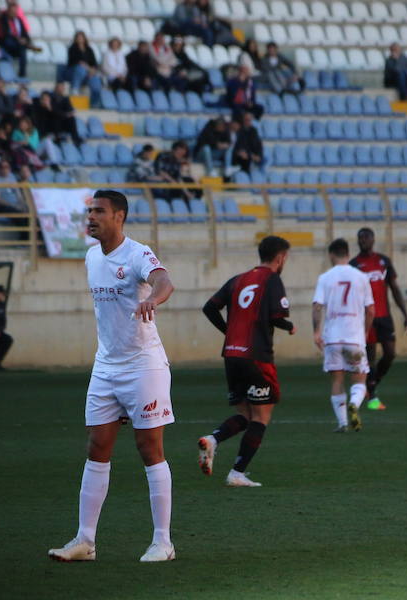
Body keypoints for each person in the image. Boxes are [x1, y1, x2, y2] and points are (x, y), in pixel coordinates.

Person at [47, 190, 176, 563]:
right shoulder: (90, 256)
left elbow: (164, 280)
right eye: (89, 211)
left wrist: (154, 298)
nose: (91, 217)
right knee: (97, 446)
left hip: (143, 366)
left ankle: (163, 543)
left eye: (99, 211)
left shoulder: (137, 253)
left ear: (119, 216)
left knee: (149, 449)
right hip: (106, 366)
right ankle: (85, 541)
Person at [197, 235, 295, 487]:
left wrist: (228, 331)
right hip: (257, 356)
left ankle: (214, 439)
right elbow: (276, 314)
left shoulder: (238, 279)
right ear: (280, 257)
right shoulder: (272, 279)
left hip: (231, 354)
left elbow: (209, 307)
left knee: (245, 413)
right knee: (262, 416)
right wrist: (289, 325)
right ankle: (237, 473)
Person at [312, 239, 375, 433]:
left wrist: (316, 332)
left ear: (331, 254)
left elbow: (317, 306)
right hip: (354, 338)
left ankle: (342, 423)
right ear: (348, 254)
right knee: (359, 379)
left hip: (332, 339)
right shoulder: (361, 277)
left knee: (337, 380)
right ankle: (355, 404)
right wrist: (364, 331)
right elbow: (371, 310)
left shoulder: (325, 277)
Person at [349, 228, 407, 410]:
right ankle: (372, 398)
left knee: (390, 353)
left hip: (384, 316)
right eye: (360, 238)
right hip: (366, 317)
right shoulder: (354, 264)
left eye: (366, 237)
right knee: (369, 357)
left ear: (373, 239)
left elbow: (394, 288)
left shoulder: (383, 261)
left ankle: (373, 382)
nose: (363, 241)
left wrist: (405, 314)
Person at [66, 31, 102, 100]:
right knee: (80, 69)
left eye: (81, 37)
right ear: (75, 39)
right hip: (74, 71)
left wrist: (92, 70)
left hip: (88, 72)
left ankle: (95, 99)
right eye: (78, 37)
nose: (80, 39)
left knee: (96, 79)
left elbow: (94, 63)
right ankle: (75, 88)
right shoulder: (72, 49)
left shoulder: (89, 49)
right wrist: (86, 67)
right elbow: (74, 61)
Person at [228, 111, 263, 176]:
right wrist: (250, 155)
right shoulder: (240, 131)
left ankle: (261, 178)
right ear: (243, 120)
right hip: (243, 155)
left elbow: (258, 144)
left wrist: (259, 155)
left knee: (266, 159)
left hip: (252, 155)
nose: (248, 122)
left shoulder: (254, 131)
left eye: (249, 120)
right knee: (244, 158)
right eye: (246, 120)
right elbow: (240, 146)